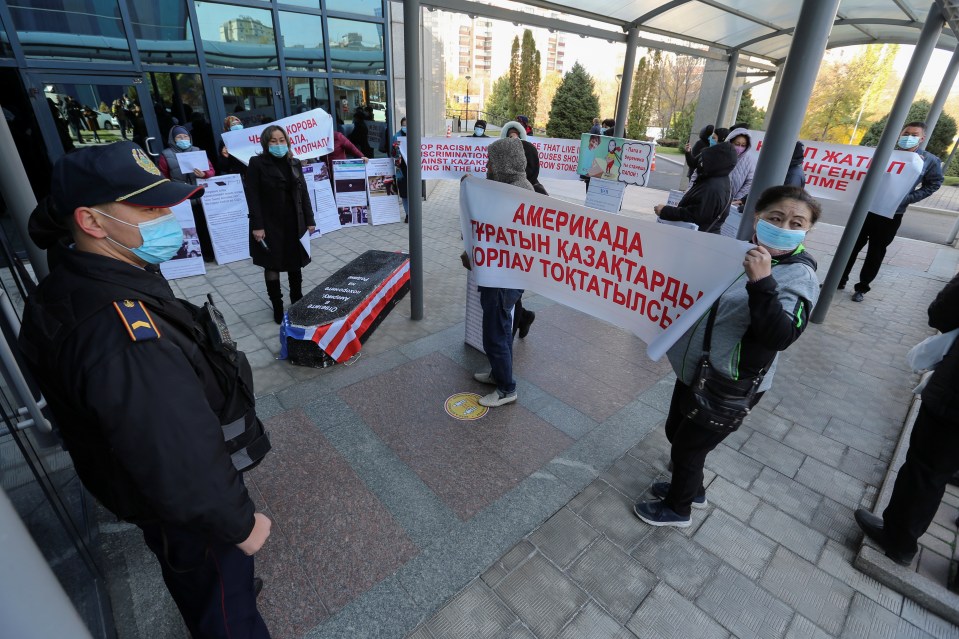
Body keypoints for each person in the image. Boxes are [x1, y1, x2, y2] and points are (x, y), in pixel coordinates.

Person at [18, 141, 273, 639]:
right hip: (189, 510)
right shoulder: (123, 331)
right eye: (148, 207)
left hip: (142, 490)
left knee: (193, 576)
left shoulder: (78, 279)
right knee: (224, 603)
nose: (167, 215)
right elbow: (176, 453)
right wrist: (239, 524)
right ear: (91, 222)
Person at [634, 185, 821, 527]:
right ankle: (692, 488)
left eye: (797, 222)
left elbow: (780, 336)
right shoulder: (740, 251)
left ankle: (679, 509)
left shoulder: (799, 274)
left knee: (688, 448)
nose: (784, 227)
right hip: (696, 369)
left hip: (729, 381)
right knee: (678, 432)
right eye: (776, 217)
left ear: (808, 230)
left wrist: (762, 284)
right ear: (758, 217)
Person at [855, 272, 959, 565]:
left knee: (926, 469)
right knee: (938, 468)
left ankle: (898, 538)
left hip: (954, 399)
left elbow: (941, 314)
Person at [839, 122, 944, 302]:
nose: (909, 137)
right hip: (866, 209)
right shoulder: (884, 153)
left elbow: (934, 183)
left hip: (892, 214)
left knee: (876, 252)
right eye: (906, 133)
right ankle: (838, 280)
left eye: (914, 134)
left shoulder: (928, 160)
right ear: (899, 134)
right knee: (851, 246)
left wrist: (908, 198)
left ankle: (862, 288)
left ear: (922, 138)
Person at [473, 137, 532, 408]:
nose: (487, 166)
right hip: (502, 274)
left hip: (503, 277)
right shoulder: (515, 187)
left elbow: (500, 236)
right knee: (500, 329)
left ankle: (507, 389)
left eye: (491, 161)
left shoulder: (515, 193)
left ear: (503, 164)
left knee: (496, 333)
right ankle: (499, 374)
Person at [246, 125, 316, 324]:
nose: (278, 144)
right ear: (266, 144)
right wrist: (257, 226)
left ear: (287, 141)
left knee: (296, 263)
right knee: (272, 264)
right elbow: (253, 196)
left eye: (281, 140)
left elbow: (303, 193)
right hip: (269, 224)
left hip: (295, 221)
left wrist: (310, 220)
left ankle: (297, 300)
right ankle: (277, 305)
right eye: (273, 141)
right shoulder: (257, 163)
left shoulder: (294, 162)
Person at [655, 142, 737, 233]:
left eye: (705, 159)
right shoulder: (718, 179)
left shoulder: (712, 188)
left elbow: (695, 216)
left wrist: (665, 211)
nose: (701, 162)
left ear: (715, 162)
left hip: (696, 238)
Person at [725, 127, 756, 208]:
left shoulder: (749, 160)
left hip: (732, 203)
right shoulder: (720, 155)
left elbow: (750, 182)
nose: (739, 147)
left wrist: (736, 198)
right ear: (730, 142)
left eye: (743, 145)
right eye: (737, 144)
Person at [390, 117, 410, 221]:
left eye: (407, 125)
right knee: (404, 193)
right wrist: (396, 149)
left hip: (412, 169)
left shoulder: (414, 136)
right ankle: (408, 214)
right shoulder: (396, 137)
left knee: (412, 193)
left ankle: (413, 213)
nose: (405, 127)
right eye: (404, 125)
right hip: (401, 169)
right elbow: (392, 154)